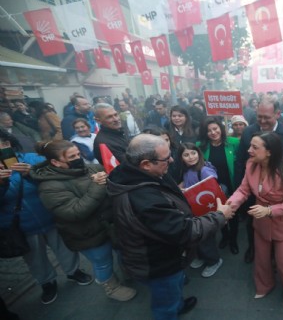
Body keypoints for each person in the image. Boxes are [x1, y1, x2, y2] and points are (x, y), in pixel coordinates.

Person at [107, 134, 234, 319]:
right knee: (165, 305)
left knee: (174, 291)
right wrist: (220, 216)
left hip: (166, 253)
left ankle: (179, 304)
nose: (173, 160)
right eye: (166, 158)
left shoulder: (140, 174)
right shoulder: (145, 200)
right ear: (145, 164)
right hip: (158, 263)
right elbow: (185, 231)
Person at [31, 140, 136, 301]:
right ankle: (111, 287)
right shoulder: (49, 187)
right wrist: (97, 186)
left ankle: (129, 272)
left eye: (78, 154)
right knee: (103, 262)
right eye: (72, 156)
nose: (78, 158)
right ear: (55, 162)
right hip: (87, 234)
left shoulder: (90, 168)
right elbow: (75, 212)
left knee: (122, 250)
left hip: (111, 225)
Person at [0, 130, 92, 305]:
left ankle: (73, 271)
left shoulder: (32, 158)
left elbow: (57, 178)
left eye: (4, 143)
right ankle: (47, 282)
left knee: (64, 247)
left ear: (10, 143)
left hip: (49, 215)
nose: (2, 147)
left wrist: (32, 174)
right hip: (21, 224)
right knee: (35, 258)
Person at [227, 132, 283, 312]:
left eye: (254, 147)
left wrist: (269, 210)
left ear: (269, 151)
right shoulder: (251, 164)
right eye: (250, 146)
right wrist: (230, 204)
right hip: (261, 222)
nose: (248, 150)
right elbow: (243, 190)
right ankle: (264, 286)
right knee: (261, 258)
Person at [235, 97, 283, 263]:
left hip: (278, 193)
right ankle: (253, 249)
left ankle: (277, 254)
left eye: (266, 117)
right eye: (259, 116)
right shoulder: (249, 131)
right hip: (253, 189)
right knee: (252, 222)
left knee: (276, 224)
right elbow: (241, 160)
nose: (262, 121)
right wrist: (241, 187)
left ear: (277, 114)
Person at [177, 142, 224, 277]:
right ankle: (202, 256)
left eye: (193, 153)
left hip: (203, 209)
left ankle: (213, 261)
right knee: (196, 237)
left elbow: (212, 183)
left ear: (199, 153)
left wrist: (189, 190)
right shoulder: (187, 169)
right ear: (181, 158)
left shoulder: (203, 170)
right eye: (186, 154)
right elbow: (185, 182)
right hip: (193, 208)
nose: (191, 157)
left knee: (205, 238)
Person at [197, 117, 240, 254]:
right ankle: (225, 236)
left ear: (220, 129)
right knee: (219, 213)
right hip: (213, 188)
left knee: (233, 214)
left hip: (232, 185)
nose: (213, 132)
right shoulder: (201, 146)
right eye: (209, 131)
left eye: (215, 129)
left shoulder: (234, 143)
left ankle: (233, 240)